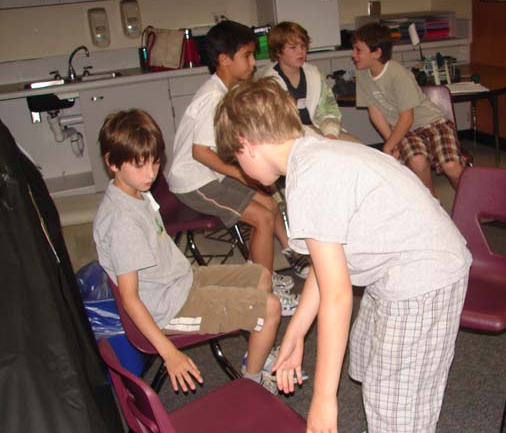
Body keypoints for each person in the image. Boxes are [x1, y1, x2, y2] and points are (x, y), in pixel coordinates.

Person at [214, 78, 472, 433]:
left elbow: (337, 295)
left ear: (246, 144)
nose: (241, 171)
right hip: (397, 264)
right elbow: (324, 268)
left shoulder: (310, 178)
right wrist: (296, 332)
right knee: (368, 355)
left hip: (423, 274)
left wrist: (323, 397)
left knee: (398, 397)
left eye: (236, 160)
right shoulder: (310, 149)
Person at [93, 109, 282, 394]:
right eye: (139, 165)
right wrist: (169, 353)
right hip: (168, 308)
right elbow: (131, 299)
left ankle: (256, 354)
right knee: (270, 309)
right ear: (112, 163)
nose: (150, 174)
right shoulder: (122, 223)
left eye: (155, 162)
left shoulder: (135, 191)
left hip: (181, 280)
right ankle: (253, 387)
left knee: (262, 277)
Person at [165, 20, 308, 309]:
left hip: (210, 175)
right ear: (224, 59)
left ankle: (264, 274)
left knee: (269, 204)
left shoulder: (226, 90)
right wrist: (241, 175)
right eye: (247, 56)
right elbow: (200, 153)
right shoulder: (213, 98)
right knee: (262, 218)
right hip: (194, 181)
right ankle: (263, 293)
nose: (253, 63)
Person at [352, 23, 465, 195]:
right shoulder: (362, 74)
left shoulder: (398, 74)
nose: (353, 55)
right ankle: (432, 204)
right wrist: (392, 142)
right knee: (417, 162)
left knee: (451, 166)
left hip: (433, 123)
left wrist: (388, 146)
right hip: (405, 132)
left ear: (376, 53)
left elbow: (407, 118)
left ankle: (470, 200)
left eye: (358, 50)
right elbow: (375, 113)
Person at [257, 21, 360, 142]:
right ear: (278, 51)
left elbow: (329, 109)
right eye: (293, 47)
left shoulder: (314, 74)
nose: (300, 51)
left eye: (303, 46)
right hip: (288, 137)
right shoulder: (268, 82)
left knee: (356, 144)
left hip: (318, 129)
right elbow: (271, 123)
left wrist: (330, 134)